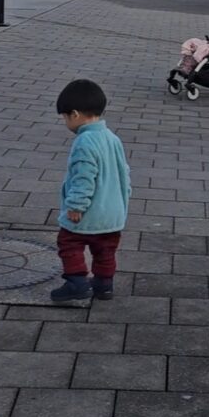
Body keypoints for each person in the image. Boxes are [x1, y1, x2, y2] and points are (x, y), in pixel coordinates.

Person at [52, 79, 131, 304]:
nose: (65, 122)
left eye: (65, 117)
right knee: (105, 250)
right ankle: (104, 285)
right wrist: (123, 200)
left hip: (89, 213)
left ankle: (76, 282)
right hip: (113, 214)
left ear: (75, 114)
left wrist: (76, 205)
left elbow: (84, 176)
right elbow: (124, 172)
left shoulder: (84, 141)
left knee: (69, 243)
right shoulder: (112, 138)